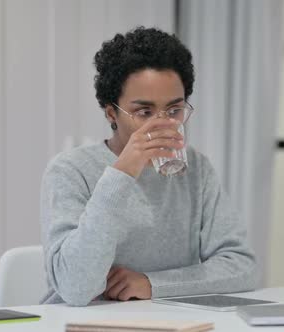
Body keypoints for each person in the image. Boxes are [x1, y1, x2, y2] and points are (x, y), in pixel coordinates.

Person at [39, 27, 257, 306]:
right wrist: (122, 173)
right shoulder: (70, 170)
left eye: (175, 110)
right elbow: (75, 287)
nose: (163, 124)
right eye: (144, 112)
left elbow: (242, 268)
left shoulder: (197, 169)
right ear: (111, 113)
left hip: (168, 320)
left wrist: (152, 284)